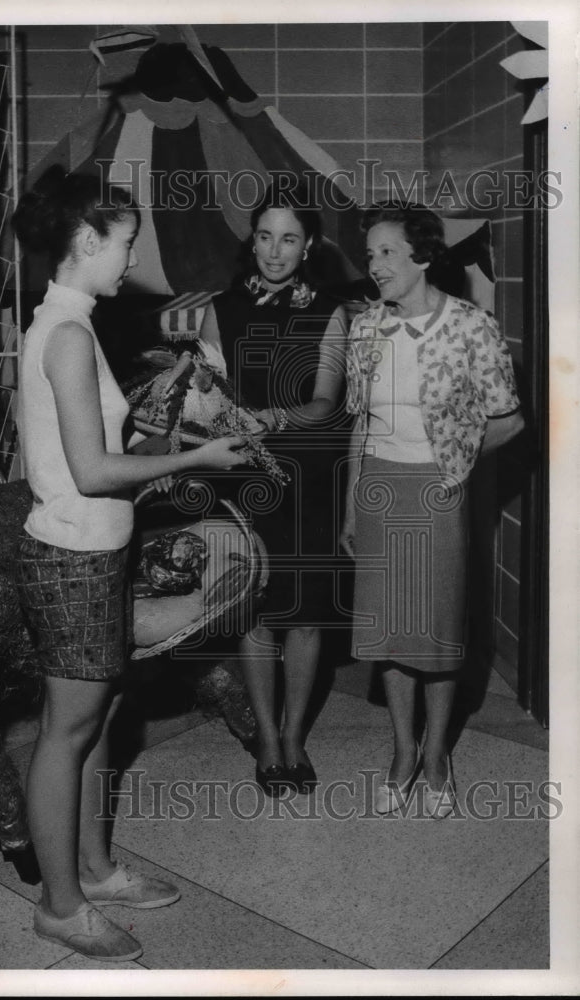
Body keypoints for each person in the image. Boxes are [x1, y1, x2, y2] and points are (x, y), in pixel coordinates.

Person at [12, 167, 248, 961]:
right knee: (64, 731)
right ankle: (60, 906)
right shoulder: (70, 336)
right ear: (86, 241)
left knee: (99, 719)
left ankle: (96, 870)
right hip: (72, 558)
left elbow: (105, 453)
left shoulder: (65, 323)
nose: (132, 257)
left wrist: (178, 432)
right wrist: (203, 458)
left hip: (93, 553)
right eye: (124, 242)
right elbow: (91, 472)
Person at [340, 202, 524, 819]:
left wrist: (457, 467)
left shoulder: (472, 327)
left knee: (438, 634)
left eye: (387, 252)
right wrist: (349, 504)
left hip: (438, 490)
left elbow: (510, 420)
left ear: (422, 255)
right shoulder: (365, 327)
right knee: (391, 633)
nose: (375, 265)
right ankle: (401, 751)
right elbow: (358, 425)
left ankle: (439, 753)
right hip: (378, 489)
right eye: (370, 254)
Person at [198, 180, 348, 797]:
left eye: (289, 238)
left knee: (308, 615)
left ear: (308, 244)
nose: (275, 251)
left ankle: (293, 737)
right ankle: (265, 738)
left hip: (311, 476)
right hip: (244, 478)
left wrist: (272, 419)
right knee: (255, 608)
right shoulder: (221, 309)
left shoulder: (331, 311)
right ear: (251, 240)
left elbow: (325, 402)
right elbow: (207, 401)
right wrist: (213, 417)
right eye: (265, 236)